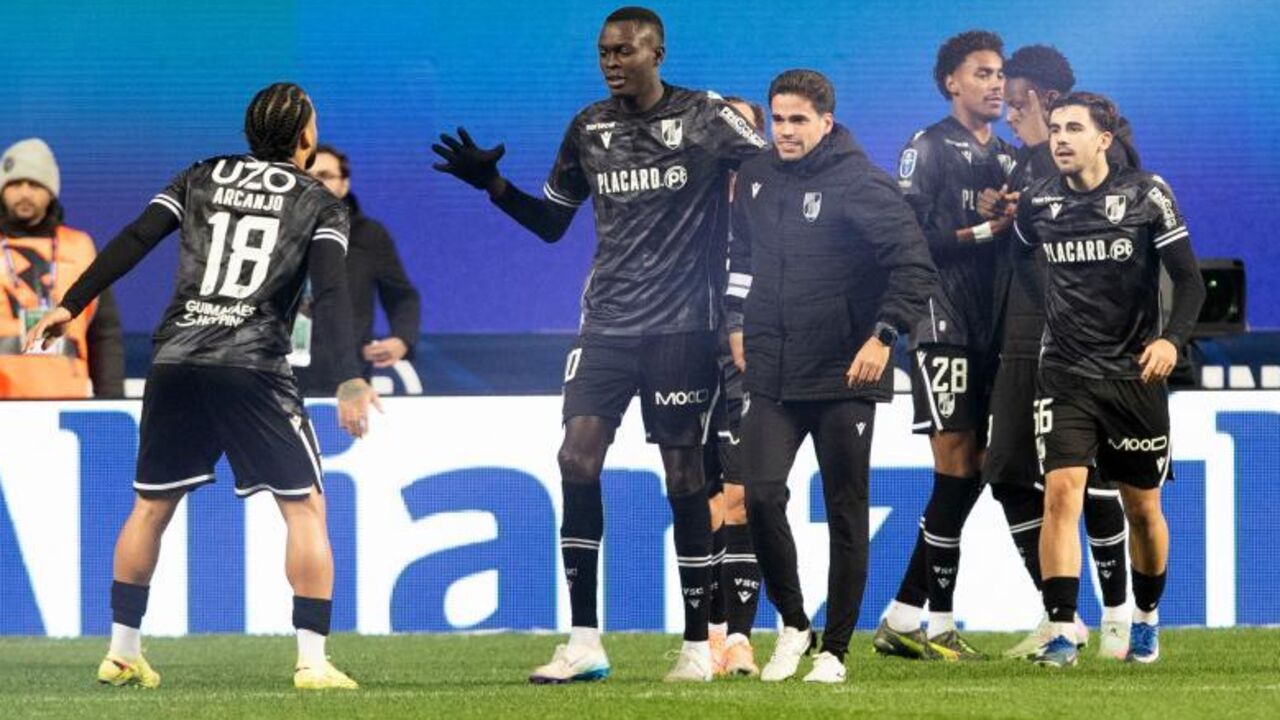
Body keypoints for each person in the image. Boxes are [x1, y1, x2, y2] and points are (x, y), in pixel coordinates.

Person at [431, 6, 768, 683]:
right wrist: (493, 186)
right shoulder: (589, 127)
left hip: (683, 327)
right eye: (604, 52)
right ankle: (584, 641)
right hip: (607, 326)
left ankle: (698, 646)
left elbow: (774, 172)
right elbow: (552, 223)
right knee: (576, 460)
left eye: (625, 50)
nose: (612, 61)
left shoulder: (704, 116)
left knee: (684, 478)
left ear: (657, 52)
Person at [26, 82, 381, 690]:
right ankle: (312, 662)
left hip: (177, 357)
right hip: (253, 365)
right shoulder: (321, 200)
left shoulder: (201, 175)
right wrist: (349, 374)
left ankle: (121, 651)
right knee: (304, 508)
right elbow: (332, 290)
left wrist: (71, 303)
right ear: (306, 138)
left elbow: (137, 237)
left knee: (150, 506)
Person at [728, 69, 938, 683]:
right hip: (771, 367)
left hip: (847, 369)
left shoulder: (861, 183)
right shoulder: (758, 176)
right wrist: (739, 321)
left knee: (846, 509)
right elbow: (742, 255)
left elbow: (914, 265)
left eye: (799, 120)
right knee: (760, 495)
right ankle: (794, 624)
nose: (786, 131)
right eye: (779, 119)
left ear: (826, 121)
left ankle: (835, 651)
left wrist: (883, 336)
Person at [1011, 91, 1205, 667]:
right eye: (1054, 129)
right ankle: (1065, 628)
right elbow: (1020, 258)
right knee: (1061, 494)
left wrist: (1171, 340)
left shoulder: (1147, 194)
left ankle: (1145, 617)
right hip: (1065, 373)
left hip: (1133, 377)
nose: (1060, 138)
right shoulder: (1039, 201)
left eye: (1073, 128)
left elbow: (1189, 281)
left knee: (1142, 509)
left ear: (1104, 138)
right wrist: (1049, 308)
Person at [981, 45, 1140, 660]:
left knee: (1093, 480)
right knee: (1015, 474)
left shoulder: (1104, 155)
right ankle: (1064, 616)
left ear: (1048, 101)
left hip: (1083, 340)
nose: (1010, 116)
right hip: (1030, 337)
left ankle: (1119, 619)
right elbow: (1025, 244)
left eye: (1018, 104)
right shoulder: (1031, 164)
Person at [876, 30, 1015, 661]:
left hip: (995, 329)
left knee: (972, 468)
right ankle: (929, 619)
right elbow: (910, 241)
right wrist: (986, 227)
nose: (994, 83)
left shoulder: (1011, 158)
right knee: (956, 465)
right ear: (950, 83)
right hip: (941, 324)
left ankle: (912, 615)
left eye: (999, 73)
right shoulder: (925, 147)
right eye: (981, 73)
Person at [705, 96, 766, 678]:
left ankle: (741, 639)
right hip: (685, 358)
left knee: (744, 498)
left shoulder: (771, 205)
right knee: (704, 504)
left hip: (748, 364)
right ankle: (709, 637)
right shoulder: (680, 201)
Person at [0, 138, 123, 398]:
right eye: (15, 184)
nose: (24, 192)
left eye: (34, 184)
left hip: (66, 406)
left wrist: (111, 400)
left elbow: (104, 333)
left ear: (51, 190)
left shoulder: (81, 247)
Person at [295, 144, 421, 395]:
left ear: (344, 184)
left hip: (345, 379)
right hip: (273, 377)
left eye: (325, 176)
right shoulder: (269, 231)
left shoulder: (369, 235)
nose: (315, 184)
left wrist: (401, 339)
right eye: (305, 176)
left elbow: (402, 297)